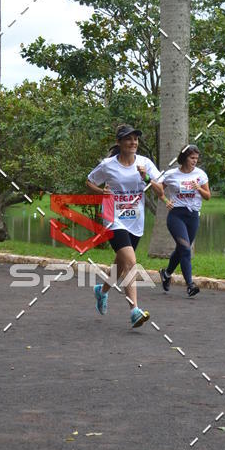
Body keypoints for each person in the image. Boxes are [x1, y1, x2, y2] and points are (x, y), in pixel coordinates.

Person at [86, 124, 165, 328]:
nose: (133, 143)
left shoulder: (145, 163)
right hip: (113, 219)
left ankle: (101, 291)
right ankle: (134, 311)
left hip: (135, 221)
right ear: (119, 143)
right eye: (128, 139)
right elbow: (89, 181)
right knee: (130, 261)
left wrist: (146, 177)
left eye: (136, 139)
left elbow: (160, 190)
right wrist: (101, 192)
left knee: (120, 265)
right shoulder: (108, 165)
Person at [157, 144, 211, 297]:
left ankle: (166, 274)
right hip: (176, 215)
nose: (195, 161)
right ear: (184, 158)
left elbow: (207, 196)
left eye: (196, 158)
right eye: (192, 158)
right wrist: (165, 200)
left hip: (193, 216)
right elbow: (158, 187)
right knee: (186, 249)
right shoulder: (171, 174)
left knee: (182, 249)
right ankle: (190, 285)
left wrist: (198, 188)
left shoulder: (200, 174)